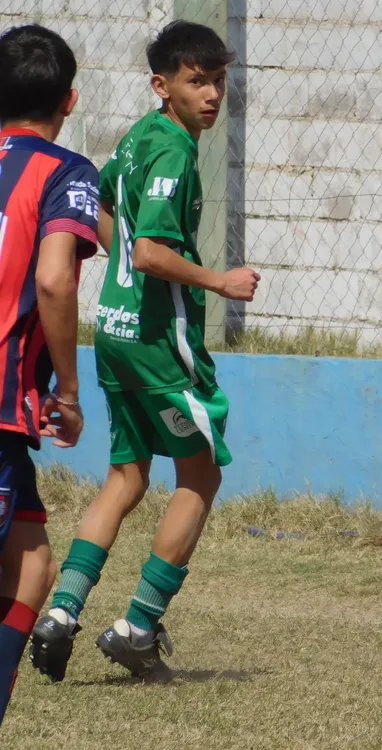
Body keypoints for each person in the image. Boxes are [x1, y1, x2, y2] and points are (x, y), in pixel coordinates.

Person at [31, 20, 260, 681]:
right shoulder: (175, 151)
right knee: (202, 474)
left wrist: (125, 258)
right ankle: (138, 624)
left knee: (127, 476)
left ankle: (62, 612)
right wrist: (220, 279)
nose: (212, 94)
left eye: (219, 80)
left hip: (113, 330)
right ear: (163, 86)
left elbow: (102, 209)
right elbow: (155, 250)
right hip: (162, 339)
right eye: (197, 81)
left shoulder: (135, 138)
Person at [0, 24, 98, 724]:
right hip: (2, 403)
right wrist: (65, 388)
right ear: (69, 99)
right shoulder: (65, 172)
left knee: (32, 563)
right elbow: (57, 281)